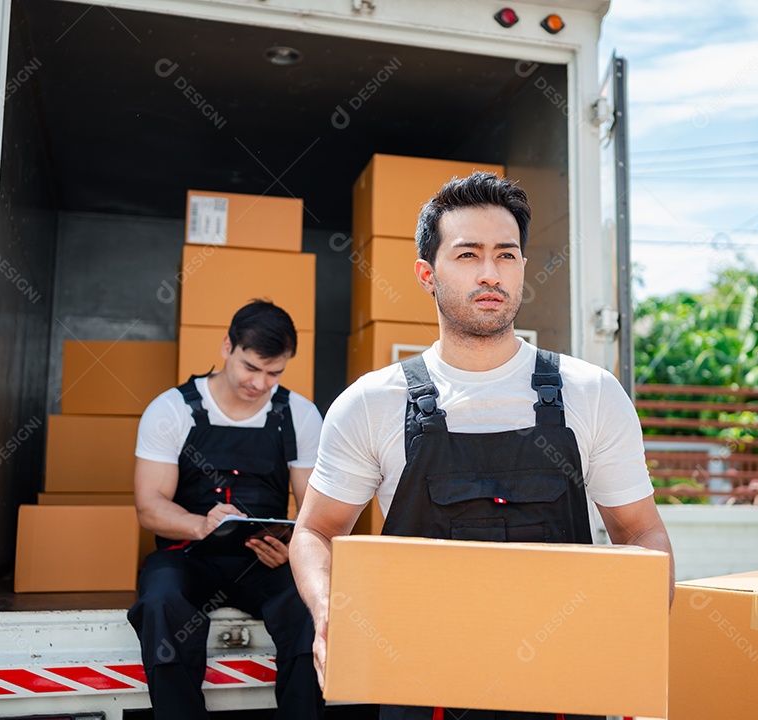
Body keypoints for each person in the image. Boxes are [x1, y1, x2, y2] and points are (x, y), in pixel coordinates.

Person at [289, 172, 675, 720]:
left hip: (562, 689)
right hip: (421, 688)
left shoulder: (591, 393)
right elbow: (316, 531)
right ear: (427, 274)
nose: (491, 273)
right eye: (468, 254)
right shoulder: (371, 403)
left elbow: (640, 532)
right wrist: (328, 609)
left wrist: (638, 629)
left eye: (506, 255)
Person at [129, 300, 324, 720]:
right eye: (251, 367)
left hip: (264, 561)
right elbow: (149, 507)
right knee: (161, 602)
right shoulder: (172, 409)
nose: (260, 383)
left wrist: (293, 547)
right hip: (188, 556)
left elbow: (316, 509)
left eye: (274, 373)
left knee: (311, 605)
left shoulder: (299, 415)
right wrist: (201, 524)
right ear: (226, 347)